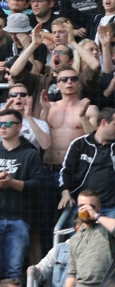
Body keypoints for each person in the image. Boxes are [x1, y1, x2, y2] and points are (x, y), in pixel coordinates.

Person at [59, 108, 115, 219]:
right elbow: (66, 171)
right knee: (79, 236)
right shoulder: (79, 144)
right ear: (103, 122)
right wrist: (65, 192)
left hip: (112, 208)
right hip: (83, 206)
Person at [0, 108, 41, 281]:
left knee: (13, 272)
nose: (3, 127)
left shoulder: (30, 154)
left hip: (19, 218)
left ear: (19, 127)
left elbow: (38, 186)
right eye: (0, 124)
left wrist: (12, 183)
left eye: (8, 123)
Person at [63, 190, 115, 287]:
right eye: (82, 206)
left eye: (91, 206)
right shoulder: (74, 239)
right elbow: (72, 273)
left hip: (106, 283)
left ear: (99, 207)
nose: (86, 210)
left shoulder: (106, 229)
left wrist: (96, 215)